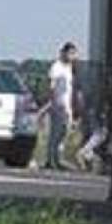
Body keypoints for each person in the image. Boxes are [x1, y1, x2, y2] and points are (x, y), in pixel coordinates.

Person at [43, 42, 78, 170]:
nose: (73, 56)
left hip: (66, 105)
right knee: (56, 133)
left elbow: (70, 89)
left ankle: (57, 158)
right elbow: (51, 86)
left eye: (74, 54)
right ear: (63, 52)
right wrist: (53, 102)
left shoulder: (69, 68)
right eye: (71, 53)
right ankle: (51, 160)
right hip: (58, 104)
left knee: (64, 132)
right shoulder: (56, 67)